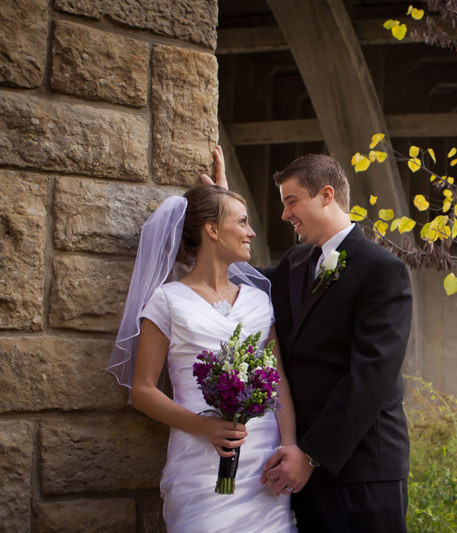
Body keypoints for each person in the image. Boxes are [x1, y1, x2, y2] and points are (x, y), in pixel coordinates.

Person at [206, 147, 413, 532]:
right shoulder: (296, 261)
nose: (285, 214)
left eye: (292, 201)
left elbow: (370, 377)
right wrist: (222, 207)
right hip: (300, 467)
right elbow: (242, 278)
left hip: (362, 469)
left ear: (327, 195)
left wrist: (311, 454)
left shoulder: (383, 271)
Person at [106, 184, 297, 532]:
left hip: (263, 465)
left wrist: (290, 445)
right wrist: (205, 426)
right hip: (199, 464)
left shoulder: (259, 300)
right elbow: (143, 389)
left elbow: (277, 379)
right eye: (241, 222)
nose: (251, 232)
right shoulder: (167, 300)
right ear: (212, 229)